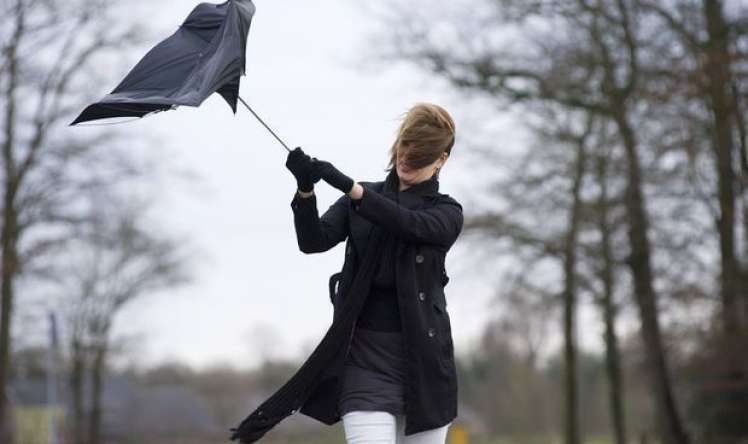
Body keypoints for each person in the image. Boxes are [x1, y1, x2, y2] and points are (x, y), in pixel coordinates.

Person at [284, 102, 462, 444]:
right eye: (405, 146)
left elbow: (408, 224)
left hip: (424, 369)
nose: (408, 157)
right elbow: (312, 241)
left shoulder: (446, 212)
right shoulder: (362, 199)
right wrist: (306, 190)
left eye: (421, 153)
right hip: (364, 363)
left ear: (441, 159)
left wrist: (351, 188)